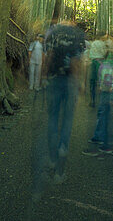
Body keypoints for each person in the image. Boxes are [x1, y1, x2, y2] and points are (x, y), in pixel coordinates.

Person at [42, 19, 86, 182]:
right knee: (67, 119)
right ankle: (62, 148)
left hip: (54, 80)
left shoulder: (53, 34)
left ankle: (53, 156)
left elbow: (48, 56)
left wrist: (44, 76)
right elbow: (77, 62)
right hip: (70, 83)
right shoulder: (77, 36)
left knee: (53, 117)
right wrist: (80, 81)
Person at [84, 37, 113, 157]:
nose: (107, 47)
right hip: (104, 90)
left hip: (109, 91)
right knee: (102, 113)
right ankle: (100, 138)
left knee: (107, 116)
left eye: (110, 46)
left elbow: (112, 75)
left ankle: (107, 144)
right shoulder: (108, 59)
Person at [86, 33, 107, 106]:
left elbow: (90, 53)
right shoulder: (103, 44)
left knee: (92, 81)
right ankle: (102, 101)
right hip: (100, 62)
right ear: (102, 37)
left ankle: (92, 100)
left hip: (93, 61)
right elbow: (104, 53)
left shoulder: (93, 43)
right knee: (101, 82)